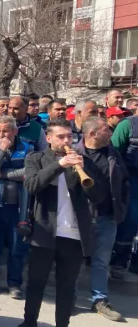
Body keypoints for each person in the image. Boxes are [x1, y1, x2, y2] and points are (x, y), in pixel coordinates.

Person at [21, 119, 105, 327]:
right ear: (48, 138)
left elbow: (98, 196)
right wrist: (59, 165)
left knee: (67, 288)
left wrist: (85, 172)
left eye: (69, 136)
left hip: (74, 234)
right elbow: (32, 185)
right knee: (36, 283)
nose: (66, 140)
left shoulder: (83, 160)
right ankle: (29, 322)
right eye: (61, 137)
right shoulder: (36, 159)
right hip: (44, 231)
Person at [74, 117, 128, 321]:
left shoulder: (113, 153)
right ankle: (70, 297)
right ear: (92, 134)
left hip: (107, 217)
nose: (111, 134)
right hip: (80, 218)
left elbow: (124, 182)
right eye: (106, 130)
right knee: (74, 260)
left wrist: (120, 207)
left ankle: (99, 300)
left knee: (101, 262)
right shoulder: (75, 154)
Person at [0, 116, 31, 299]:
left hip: (18, 204)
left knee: (17, 247)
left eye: (6, 131)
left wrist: (4, 173)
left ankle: (14, 283)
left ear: (15, 131)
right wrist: (1, 150)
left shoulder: (27, 148)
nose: (2, 134)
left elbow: (29, 172)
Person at [110, 113, 138, 277]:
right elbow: (114, 153)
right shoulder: (128, 125)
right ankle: (119, 259)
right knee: (130, 219)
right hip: (133, 179)